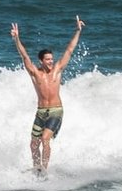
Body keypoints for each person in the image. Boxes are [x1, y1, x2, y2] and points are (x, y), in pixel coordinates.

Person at [12, 16, 83, 172]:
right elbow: (24, 56)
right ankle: (36, 168)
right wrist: (17, 39)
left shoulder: (57, 70)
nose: (51, 61)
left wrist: (78, 30)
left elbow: (70, 50)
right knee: (33, 143)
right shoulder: (36, 74)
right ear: (41, 61)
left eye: (52, 59)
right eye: (48, 59)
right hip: (41, 111)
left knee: (45, 139)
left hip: (56, 111)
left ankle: (44, 169)